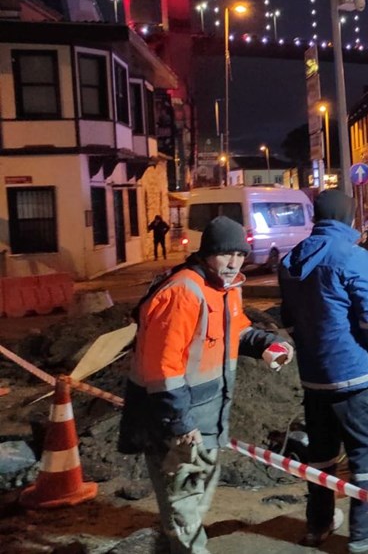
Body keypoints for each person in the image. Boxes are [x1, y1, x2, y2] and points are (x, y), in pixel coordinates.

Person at [118, 216, 295, 554]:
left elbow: (236, 330)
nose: (233, 263)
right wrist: (181, 424)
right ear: (206, 254)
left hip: (207, 418)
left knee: (195, 495)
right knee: (183, 503)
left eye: (240, 255)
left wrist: (265, 346)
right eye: (225, 254)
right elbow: (163, 368)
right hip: (174, 424)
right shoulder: (184, 293)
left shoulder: (224, 289)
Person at [278, 190, 368, 554]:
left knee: (321, 454)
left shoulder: (290, 260)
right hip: (351, 375)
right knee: (366, 453)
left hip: (313, 377)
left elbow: (288, 319)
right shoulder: (353, 257)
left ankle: (318, 525)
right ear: (348, 217)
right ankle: (366, 533)